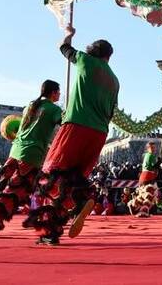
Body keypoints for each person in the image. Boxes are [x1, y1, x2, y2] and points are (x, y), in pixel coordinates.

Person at [23, 26, 119, 245]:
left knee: (51, 175)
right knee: (73, 177)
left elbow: (63, 47)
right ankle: (80, 199)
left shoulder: (86, 61)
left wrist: (68, 32)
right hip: (99, 134)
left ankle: (51, 228)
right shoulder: (115, 80)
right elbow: (112, 111)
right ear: (109, 56)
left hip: (76, 125)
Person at [0, 80, 62, 236]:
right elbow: (65, 124)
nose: (60, 95)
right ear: (54, 93)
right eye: (59, 92)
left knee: (2, 186)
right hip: (31, 154)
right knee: (16, 190)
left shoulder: (30, 106)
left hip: (16, 150)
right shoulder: (53, 109)